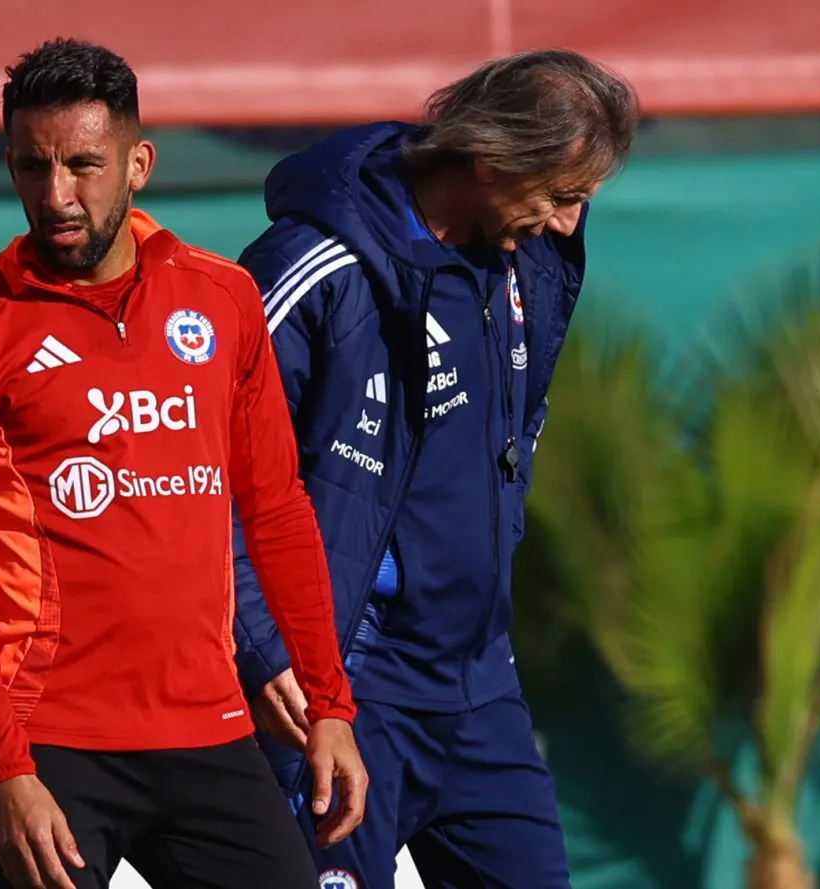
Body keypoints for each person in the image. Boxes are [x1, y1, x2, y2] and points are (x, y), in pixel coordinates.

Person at [0, 37, 367, 889]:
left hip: (209, 727)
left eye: (84, 164)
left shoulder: (221, 299)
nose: (58, 195)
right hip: (50, 743)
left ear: (138, 162)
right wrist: (5, 767)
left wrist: (331, 706)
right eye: (33, 168)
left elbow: (276, 510)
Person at [232, 49, 639, 889]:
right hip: (347, 687)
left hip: (479, 685)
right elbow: (201, 477)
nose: (570, 223)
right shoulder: (314, 268)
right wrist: (265, 647)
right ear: (491, 158)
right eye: (562, 195)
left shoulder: (530, 265)